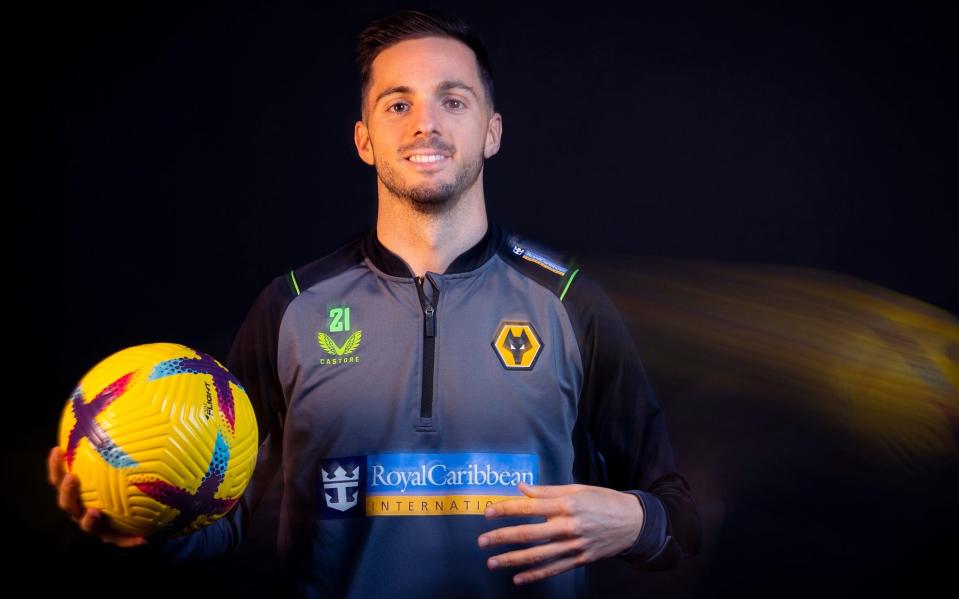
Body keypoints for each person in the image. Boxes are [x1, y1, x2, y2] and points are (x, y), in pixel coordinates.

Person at [48, 9, 702, 597]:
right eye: (397, 104)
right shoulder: (291, 306)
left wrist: (637, 520)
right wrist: (146, 522)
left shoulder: (568, 302)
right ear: (363, 139)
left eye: (452, 100)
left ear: (491, 131)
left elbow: (678, 521)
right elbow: (224, 518)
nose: (425, 122)